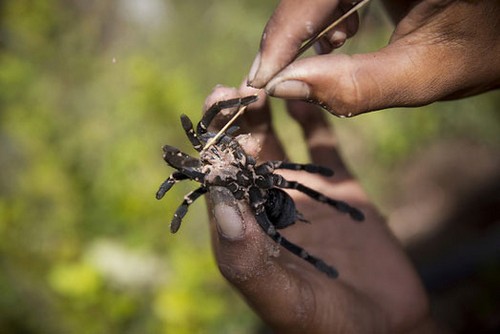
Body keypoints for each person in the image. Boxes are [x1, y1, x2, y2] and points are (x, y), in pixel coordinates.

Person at [204, 1, 500, 332]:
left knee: (288, 184)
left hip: (273, 197)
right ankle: (315, 247)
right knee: (278, 203)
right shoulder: (244, 178)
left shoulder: (258, 172)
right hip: (272, 203)